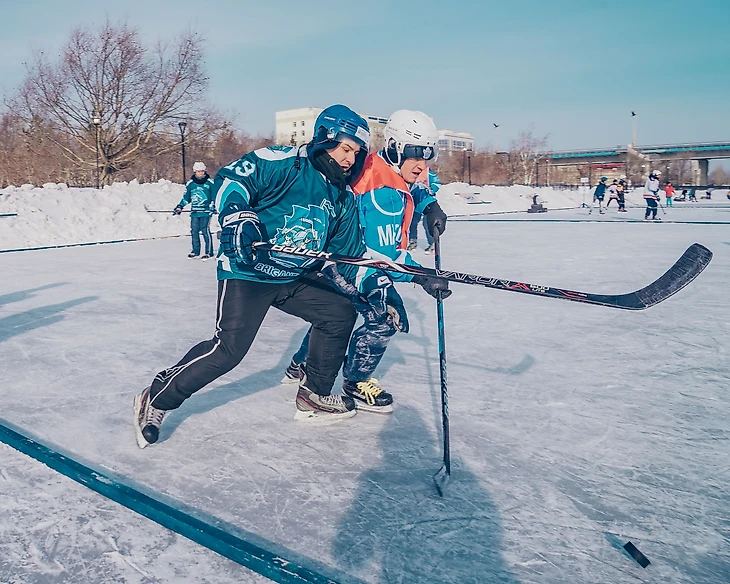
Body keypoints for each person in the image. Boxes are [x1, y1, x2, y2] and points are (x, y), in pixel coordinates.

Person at [133, 105, 409, 448]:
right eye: (345, 148)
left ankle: (315, 395)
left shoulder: (342, 196)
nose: (350, 159)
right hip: (248, 270)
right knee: (228, 350)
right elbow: (234, 180)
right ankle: (157, 396)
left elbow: (349, 259)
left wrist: (380, 288)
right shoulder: (284, 162)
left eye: (356, 153)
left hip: (292, 276)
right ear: (325, 140)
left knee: (338, 312)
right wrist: (238, 216)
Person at [282, 110, 450, 414]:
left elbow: (418, 183)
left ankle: (301, 362)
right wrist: (422, 275)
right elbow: (382, 258)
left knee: (339, 309)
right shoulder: (381, 195)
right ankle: (356, 383)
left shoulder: (383, 163)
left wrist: (430, 205)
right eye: (415, 156)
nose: (422, 165)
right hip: (350, 259)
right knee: (386, 316)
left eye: (428, 157)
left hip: (344, 250)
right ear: (396, 149)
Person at [174, 162, 217, 259]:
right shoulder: (190, 184)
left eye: (202, 171)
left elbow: (215, 196)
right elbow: (186, 198)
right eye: (198, 172)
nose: (200, 173)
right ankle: (195, 251)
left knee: (205, 230)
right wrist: (180, 206)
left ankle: (209, 252)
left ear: (204, 171)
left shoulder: (210, 183)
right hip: (195, 212)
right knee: (194, 231)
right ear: (195, 172)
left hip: (206, 212)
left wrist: (212, 205)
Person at [407, 168, 441, 253]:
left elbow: (436, 183)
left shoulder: (428, 172)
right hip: (415, 203)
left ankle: (432, 243)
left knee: (427, 224)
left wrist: (431, 190)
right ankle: (412, 241)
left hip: (426, 202)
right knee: (412, 223)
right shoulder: (409, 171)